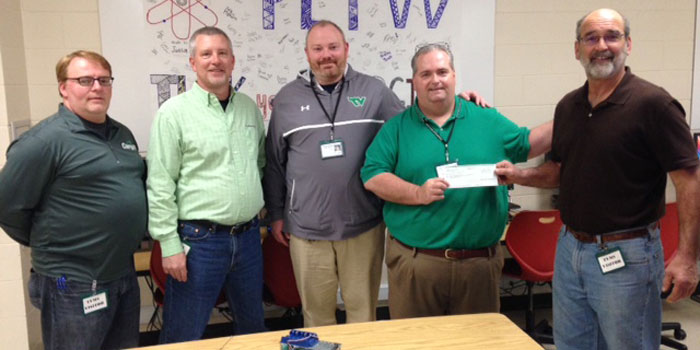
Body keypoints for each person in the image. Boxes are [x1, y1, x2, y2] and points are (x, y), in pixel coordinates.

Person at [494, 8, 700, 350]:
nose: (601, 45)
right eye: (591, 38)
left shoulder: (654, 105)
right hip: (570, 248)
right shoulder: (569, 107)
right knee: (572, 344)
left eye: (611, 36)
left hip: (628, 254)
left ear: (628, 44)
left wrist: (688, 257)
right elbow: (560, 170)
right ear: (577, 49)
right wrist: (519, 175)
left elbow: (690, 181)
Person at [264, 21, 488, 327]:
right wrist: (276, 213)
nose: (326, 55)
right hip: (306, 230)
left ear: (346, 49)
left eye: (333, 47)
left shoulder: (373, 90)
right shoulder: (287, 99)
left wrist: (453, 100)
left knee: (363, 315)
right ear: (307, 53)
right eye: (318, 48)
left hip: (363, 226)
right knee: (316, 317)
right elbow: (276, 163)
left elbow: (416, 121)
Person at [360, 43, 552, 319]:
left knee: (477, 343)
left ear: (454, 76)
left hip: (478, 266)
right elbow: (373, 176)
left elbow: (527, 144)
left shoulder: (486, 119)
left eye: (442, 71)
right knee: (416, 343)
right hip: (417, 265)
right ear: (413, 81)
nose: (435, 80)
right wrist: (418, 193)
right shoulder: (397, 128)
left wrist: (573, 114)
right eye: (425, 74)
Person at [0, 51, 146, 350]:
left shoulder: (122, 133)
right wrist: (50, 243)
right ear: (63, 87)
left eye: (104, 80)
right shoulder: (44, 141)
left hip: (121, 273)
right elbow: (7, 206)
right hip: (72, 282)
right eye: (85, 80)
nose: (96, 87)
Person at [147, 26, 266, 343]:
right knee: (183, 333)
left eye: (222, 53)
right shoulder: (173, 113)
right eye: (207, 54)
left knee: (253, 329)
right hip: (199, 243)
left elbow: (260, 164)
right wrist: (170, 246)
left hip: (249, 239)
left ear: (233, 60)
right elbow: (160, 184)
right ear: (193, 62)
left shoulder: (249, 109)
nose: (216, 60)